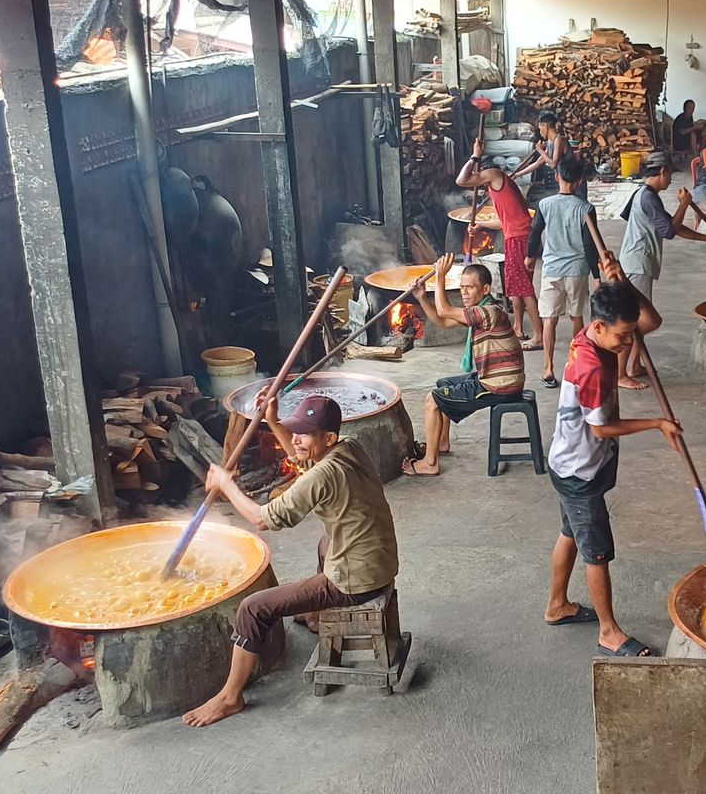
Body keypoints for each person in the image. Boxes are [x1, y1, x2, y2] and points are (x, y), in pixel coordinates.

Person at [182, 394, 398, 727]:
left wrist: (227, 485)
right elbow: (303, 459)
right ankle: (314, 616)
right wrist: (272, 418)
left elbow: (262, 519)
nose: (295, 439)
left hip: (358, 579)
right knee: (326, 542)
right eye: (295, 430)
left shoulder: (322, 476)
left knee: (253, 608)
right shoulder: (350, 446)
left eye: (305, 434)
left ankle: (230, 698)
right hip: (379, 557)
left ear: (328, 439)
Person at [544, 255, 682, 658]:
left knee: (571, 533)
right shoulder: (590, 367)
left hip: (570, 462)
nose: (629, 343)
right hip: (579, 470)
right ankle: (609, 632)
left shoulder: (596, 330)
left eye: (629, 336)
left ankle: (557, 606)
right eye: (623, 336)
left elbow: (649, 323)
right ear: (600, 326)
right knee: (597, 552)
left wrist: (621, 283)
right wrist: (657, 423)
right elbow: (601, 429)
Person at [404, 253, 524, 477]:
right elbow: (442, 321)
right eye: (462, 287)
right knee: (444, 384)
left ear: (486, 289)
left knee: (432, 399)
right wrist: (422, 298)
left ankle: (430, 463)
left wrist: (440, 277)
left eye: (470, 287)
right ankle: (441, 443)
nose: (464, 292)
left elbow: (444, 311)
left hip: (499, 385)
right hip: (494, 378)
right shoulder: (480, 311)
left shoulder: (488, 312)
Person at [615, 152, 706, 390]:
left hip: (637, 261)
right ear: (662, 171)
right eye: (670, 174)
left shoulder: (642, 194)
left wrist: (704, 238)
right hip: (637, 264)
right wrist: (684, 205)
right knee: (633, 320)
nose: (671, 180)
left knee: (637, 319)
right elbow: (669, 231)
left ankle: (634, 365)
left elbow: (669, 225)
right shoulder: (649, 198)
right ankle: (621, 373)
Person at [526, 154, 611, 389]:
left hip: (552, 269)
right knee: (577, 317)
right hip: (577, 270)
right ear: (580, 181)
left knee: (549, 320)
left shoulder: (544, 205)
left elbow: (535, 234)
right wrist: (596, 275)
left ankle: (548, 369)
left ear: (556, 177)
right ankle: (575, 365)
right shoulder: (585, 208)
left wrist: (529, 257)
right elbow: (589, 245)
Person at [457, 137, 543, 350]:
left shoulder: (494, 175)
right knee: (515, 286)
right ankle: (518, 328)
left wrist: (474, 155)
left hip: (519, 237)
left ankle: (540, 335)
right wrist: (479, 227)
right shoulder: (497, 188)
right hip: (518, 235)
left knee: (524, 289)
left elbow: (461, 180)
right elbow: (505, 221)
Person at [516, 111, 589, 203]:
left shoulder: (559, 140)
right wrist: (518, 174)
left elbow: (553, 164)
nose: (540, 132)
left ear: (545, 126)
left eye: (540, 128)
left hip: (575, 181)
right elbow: (539, 162)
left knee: (579, 207)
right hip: (565, 181)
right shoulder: (550, 142)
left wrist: (540, 151)